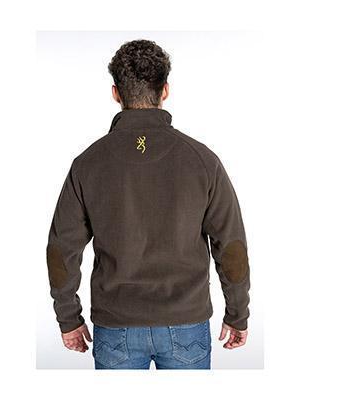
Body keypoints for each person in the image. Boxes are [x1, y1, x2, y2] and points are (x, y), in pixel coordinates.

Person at [46, 39, 250, 369]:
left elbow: (61, 250)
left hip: (116, 326)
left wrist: (68, 318)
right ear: (165, 90)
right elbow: (231, 247)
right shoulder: (202, 161)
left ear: (116, 94)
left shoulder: (88, 163)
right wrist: (238, 312)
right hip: (186, 325)